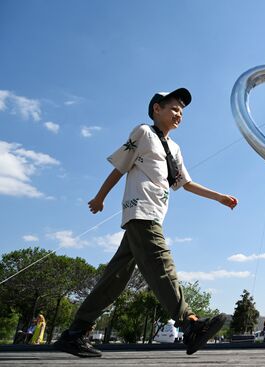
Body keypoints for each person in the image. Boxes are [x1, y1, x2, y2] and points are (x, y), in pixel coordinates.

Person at [54, 88, 238, 358]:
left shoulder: (174, 148)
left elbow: (185, 184)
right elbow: (120, 167)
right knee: (161, 263)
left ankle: (74, 333)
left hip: (153, 214)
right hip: (141, 211)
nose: (179, 114)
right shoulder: (143, 133)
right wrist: (99, 197)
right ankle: (191, 324)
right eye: (174, 108)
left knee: (114, 280)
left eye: (182, 112)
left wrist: (219, 197)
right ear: (156, 109)